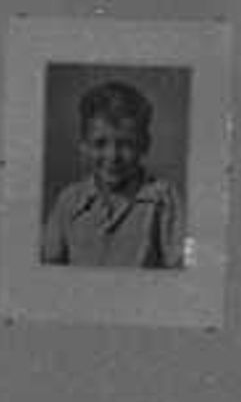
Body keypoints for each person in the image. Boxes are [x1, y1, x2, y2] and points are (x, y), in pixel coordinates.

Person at [39, 80, 182, 269]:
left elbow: (180, 272)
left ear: (145, 145)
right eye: (100, 144)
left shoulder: (164, 200)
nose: (112, 156)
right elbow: (48, 269)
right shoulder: (68, 201)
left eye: (126, 144)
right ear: (84, 146)